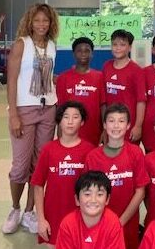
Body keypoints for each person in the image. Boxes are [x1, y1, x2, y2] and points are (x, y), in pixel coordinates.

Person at [3, 3, 59, 234]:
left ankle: (29, 211)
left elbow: (49, 76)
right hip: (25, 110)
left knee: (39, 165)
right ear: (30, 22)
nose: (41, 25)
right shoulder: (21, 45)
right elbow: (13, 80)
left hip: (48, 109)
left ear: (51, 23)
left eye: (45, 21)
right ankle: (15, 208)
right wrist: (13, 114)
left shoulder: (52, 46)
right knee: (20, 166)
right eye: (37, 20)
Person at [85, 103, 149, 249]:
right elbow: (86, 194)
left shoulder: (135, 153)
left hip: (127, 224)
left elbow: (140, 192)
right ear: (105, 125)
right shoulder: (93, 157)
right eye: (111, 121)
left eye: (121, 121)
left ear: (128, 126)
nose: (116, 126)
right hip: (99, 223)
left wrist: (120, 222)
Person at [31, 101, 95, 246]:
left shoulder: (89, 151)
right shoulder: (48, 150)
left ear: (82, 122)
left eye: (75, 117)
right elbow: (38, 186)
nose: (70, 121)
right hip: (53, 217)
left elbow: (94, 189)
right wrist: (41, 220)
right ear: (59, 121)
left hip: (80, 218)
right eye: (66, 117)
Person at [56, 171, 126, 249]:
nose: (93, 200)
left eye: (99, 194)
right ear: (77, 199)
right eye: (87, 194)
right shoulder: (67, 224)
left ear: (107, 199)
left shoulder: (113, 223)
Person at [56, 37, 106, 146]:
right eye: (79, 51)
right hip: (70, 132)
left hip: (93, 132)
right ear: (73, 54)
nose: (83, 54)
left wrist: (105, 129)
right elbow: (60, 107)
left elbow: (103, 105)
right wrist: (59, 130)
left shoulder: (100, 77)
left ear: (92, 54)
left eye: (87, 51)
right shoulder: (63, 78)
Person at [102, 29, 147, 143]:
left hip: (128, 124)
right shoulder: (106, 66)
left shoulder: (136, 70)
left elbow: (141, 101)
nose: (118, 48)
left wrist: (138, 126)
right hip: (110, 123)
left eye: (122, 45)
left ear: (130, 47)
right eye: (115, 44)